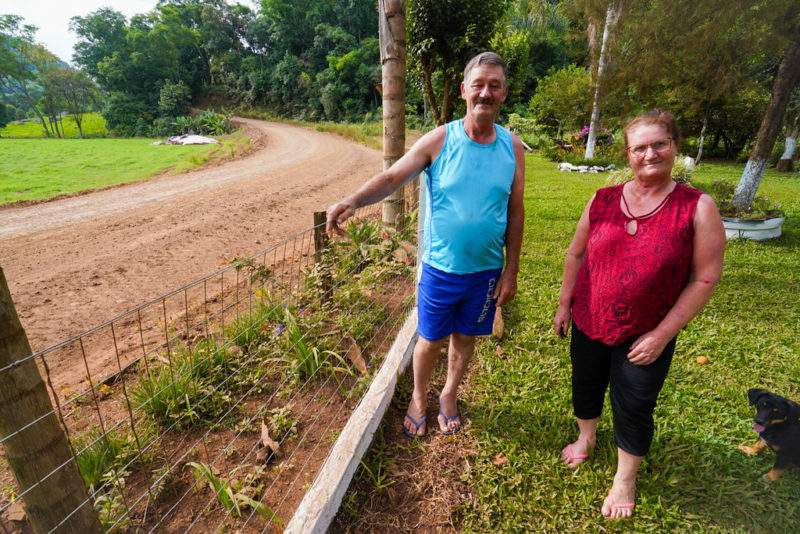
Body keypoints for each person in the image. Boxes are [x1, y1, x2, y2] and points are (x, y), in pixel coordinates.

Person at [327, 51, 525, 437]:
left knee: (466, 338)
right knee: (431, 340)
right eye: (479, 85)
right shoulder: (440, 140)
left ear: (503, 93)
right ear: (465, 90)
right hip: (440, 268)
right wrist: (353, 200)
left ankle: (449, 394)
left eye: (494, 86)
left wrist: (511, 269)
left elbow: (515, 211)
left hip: (486, 271)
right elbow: (392, 178)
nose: (485, 93)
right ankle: (419, 396)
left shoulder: (513, 148)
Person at [553, 110, 725, 519]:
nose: (650, 154)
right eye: (639, 147)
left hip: (647, 330)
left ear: (675, 146)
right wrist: (564, 305)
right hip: (589, 318)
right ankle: (586, 438)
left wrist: (662, 335)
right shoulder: (602, 199)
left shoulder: (697, 207)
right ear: (627, 154)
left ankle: (625, 478)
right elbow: (576, 254)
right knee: (586, 383)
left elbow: (704, 278)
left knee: (634, 403)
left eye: (659, 144)